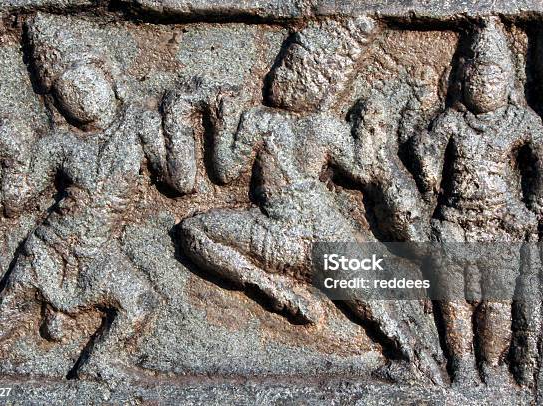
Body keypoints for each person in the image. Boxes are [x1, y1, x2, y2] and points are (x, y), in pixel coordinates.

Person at [176, 17, 444, 383]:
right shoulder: (284, 122)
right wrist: (219, 121)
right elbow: (226, 174)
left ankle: (418, 358)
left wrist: (218, 124)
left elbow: (364, 172)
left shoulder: (305, 125)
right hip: (282, 230)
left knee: (374, 303)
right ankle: (277, 291)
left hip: (305, 232)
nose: (277, 75)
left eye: (293, 67)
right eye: (281, 65)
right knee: (195, 231)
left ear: (318, 82)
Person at [0, 15, 193, 379]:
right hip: (50, 247)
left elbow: (180, 180)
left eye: (85, 80)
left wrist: (176, 115)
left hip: (97, 251)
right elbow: (17, 202)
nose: (80, 96)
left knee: (139, 302)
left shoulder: (139, 127)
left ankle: (97, 361)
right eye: (66, 90)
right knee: (7, 307)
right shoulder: (58, 144)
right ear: (57, 102)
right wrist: (7, 154)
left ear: (107, 75)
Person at [411, 17, 543, 385]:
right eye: (476, 78)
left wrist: (530, 212)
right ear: (462, 82)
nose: (484, 86)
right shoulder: (450, 121)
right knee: (452, 298)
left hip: (500, 222)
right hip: (453, 220)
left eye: (493, 79)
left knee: (496, 302)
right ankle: (460, 366)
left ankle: (492, 367)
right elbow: (428, 173)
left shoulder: (522, 121)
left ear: (508, 83)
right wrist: (420, 144)